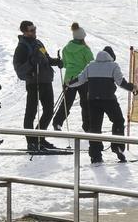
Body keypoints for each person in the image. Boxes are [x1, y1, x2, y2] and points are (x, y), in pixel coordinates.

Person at [68, 47, 137, 164]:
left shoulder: (90, 66)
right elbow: (121, 82)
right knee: (118, 120)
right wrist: (133, 88)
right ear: (111, 57)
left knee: (95, 127)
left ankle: (95, 154)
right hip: (109, 99)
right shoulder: (113, 65)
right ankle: (118, 146)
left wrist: (69, 84)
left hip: (93, 100)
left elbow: (80, 79)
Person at [13, 20, 62, 151]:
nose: (34, 32)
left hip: (46, 80)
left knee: (49, 111)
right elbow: (19, 69)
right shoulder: (21, 48)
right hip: (33, 82)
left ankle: (39, 138)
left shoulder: (39, 43)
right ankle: (31, 142)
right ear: (24, 31)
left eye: (35, 29)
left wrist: (57, 61)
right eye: (31, 30)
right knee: (31, 113)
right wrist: (31, 62)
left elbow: (46, 58)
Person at [53, 22, 92, 132]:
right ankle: (87, 126)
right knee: (85, 103)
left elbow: (65, 64)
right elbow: (91, 64)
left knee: (67, 102)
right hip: (82, 79)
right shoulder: (85, 49)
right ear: (82, 37)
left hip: (69, 79)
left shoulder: (66, 48)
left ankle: (57, 122)